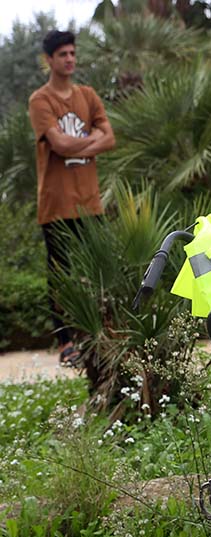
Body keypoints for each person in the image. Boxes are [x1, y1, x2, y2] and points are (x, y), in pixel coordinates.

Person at [28, 30, 115, 367]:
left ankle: (99, 332)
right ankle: (65, 342)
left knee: (98, 269)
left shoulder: (88, 95)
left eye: (72, 53)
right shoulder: (41, 100)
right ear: (49, 59)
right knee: (60, 275)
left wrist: (82, 142)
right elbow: (60, 146)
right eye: (62, 54)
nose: (69, 59)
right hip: (56, 204)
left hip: (89, 201)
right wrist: (92, 138)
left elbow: (110, 140)